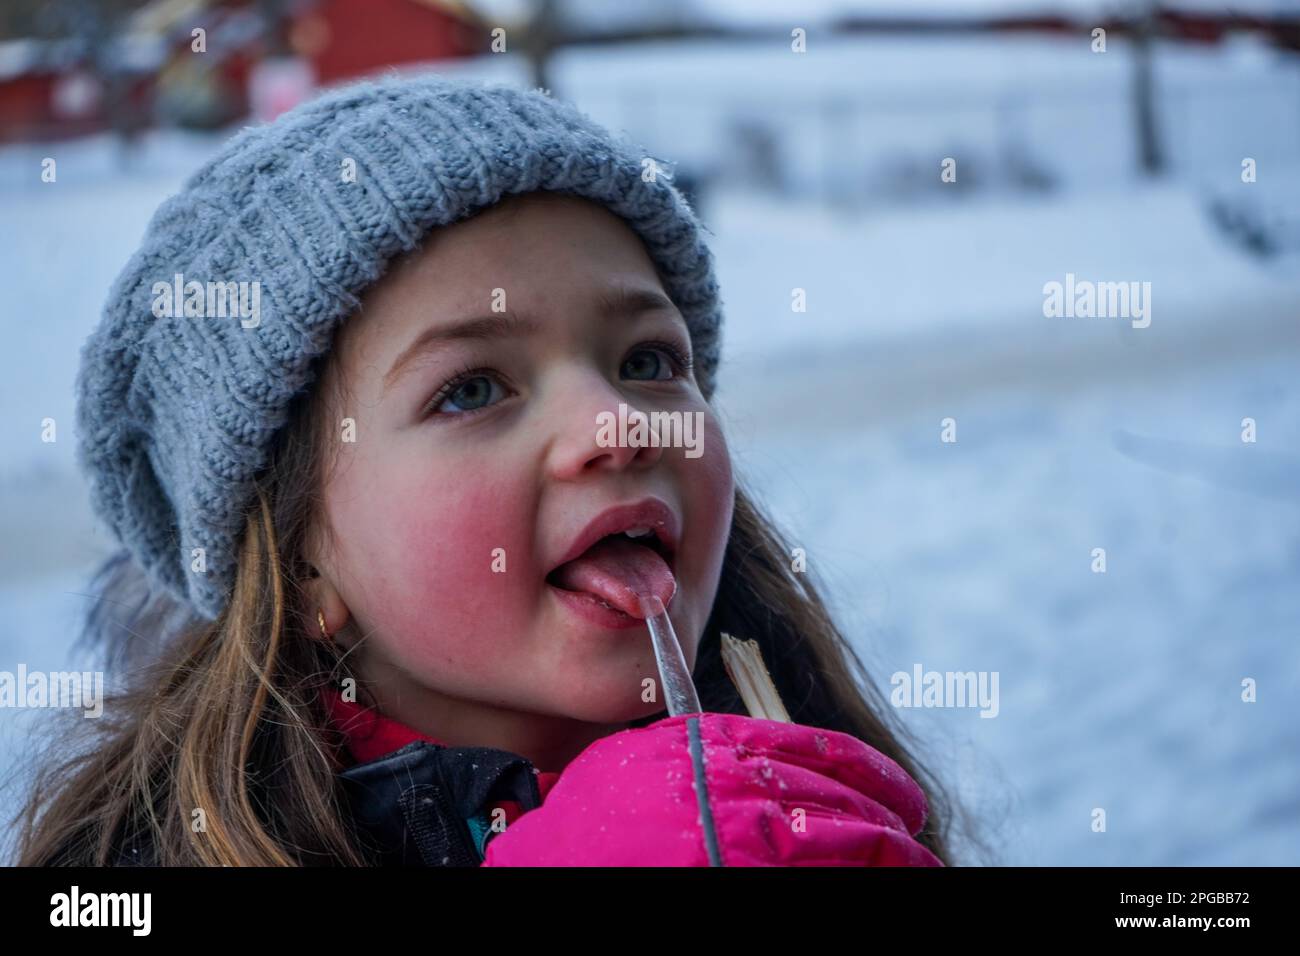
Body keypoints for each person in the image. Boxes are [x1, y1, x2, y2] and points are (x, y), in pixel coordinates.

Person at [14, 73, 954, 867]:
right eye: (470, 390)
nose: (616, 422)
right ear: (298, 561)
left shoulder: (810, 783)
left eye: (647, 362)